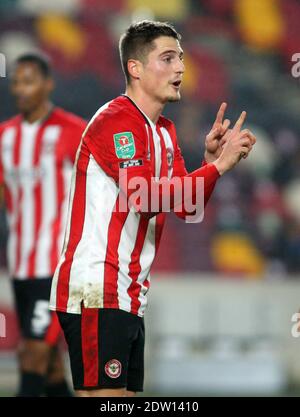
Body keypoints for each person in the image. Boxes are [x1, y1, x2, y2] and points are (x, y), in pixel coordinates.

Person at [49, 20, 256, 397]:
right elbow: (143, 198)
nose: (181, 67)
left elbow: (187, 206)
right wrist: (218, 167)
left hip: (129, 292)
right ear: (136, 68)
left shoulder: (163, 131)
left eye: (181, 58)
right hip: (98, 287)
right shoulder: (117, 121)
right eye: (168, 58)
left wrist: (209, 164)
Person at [0, 53, 86, 396]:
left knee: (32, 355)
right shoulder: (4, 137)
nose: (21, 88)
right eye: (17, 81)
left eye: (29, 80)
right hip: (20, 265)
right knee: (48, 364)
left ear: (48, 84)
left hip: (56, 266)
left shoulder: (73, 131)